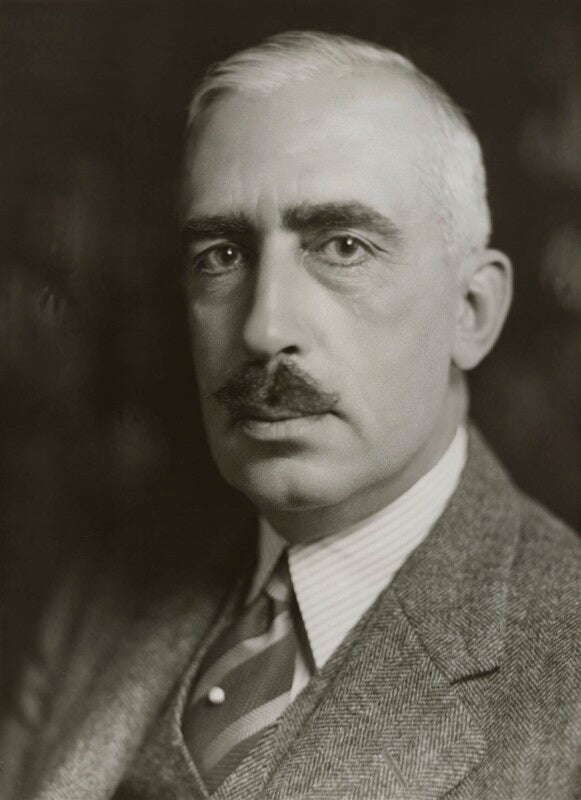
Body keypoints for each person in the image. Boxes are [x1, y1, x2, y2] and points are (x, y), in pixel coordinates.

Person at [1, 30, 579, 800]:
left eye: (342, 246)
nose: (263, 328)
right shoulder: (101, 594)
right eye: (221, 254)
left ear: (470, 310)